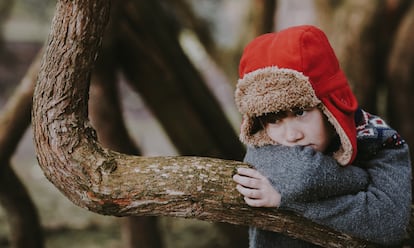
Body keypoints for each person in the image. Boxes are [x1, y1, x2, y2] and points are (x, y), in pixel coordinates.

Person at [232, 25, 412, 247]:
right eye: (274, 119)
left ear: (328, 107)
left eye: (300, 112)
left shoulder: (381, 141)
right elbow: (303, 176)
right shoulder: (263, 140)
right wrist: (359, 180)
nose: (291, 135)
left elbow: (388, 223)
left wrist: (286, 200)